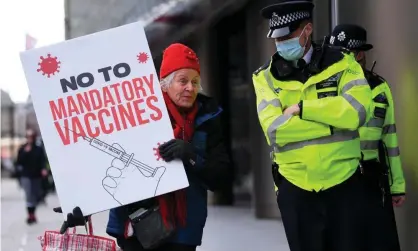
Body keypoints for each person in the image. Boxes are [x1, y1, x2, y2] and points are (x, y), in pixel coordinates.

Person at [54, 43, 230, 251]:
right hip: (134, 226)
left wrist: (191, 155)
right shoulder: (135, 109)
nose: (190, 88)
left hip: (184, 231)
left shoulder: (209, 117)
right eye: (183, 81)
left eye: (195, 81)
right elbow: (102, 158)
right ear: (164, 84)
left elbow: (221, 177)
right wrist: (82, 204)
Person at [252, 1, 373, 250]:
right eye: (277, 38)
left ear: (307, 30)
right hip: (295, 186)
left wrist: (303, 109)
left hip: (344, 183)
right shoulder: (264, 76)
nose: (280, 43)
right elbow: (274, 129)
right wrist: (333, 124)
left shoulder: (342, 63)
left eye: (288, 36)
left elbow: (357, 112)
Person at [327, 24, 405, 251]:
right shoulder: (325, 87)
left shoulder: (379, 88)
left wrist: (397, 185)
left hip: (371, 180)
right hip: (336, 178)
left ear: (359, 54)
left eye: (344, 54)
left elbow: (390, 139)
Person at [15, 128, 48, 224]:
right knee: (29, 195)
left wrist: (44, 169)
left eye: (31, 136)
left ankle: (33, 213)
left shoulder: (38, 149)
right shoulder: (23, 149)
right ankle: (30, 216)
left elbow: (42, 160)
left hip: (36, 175)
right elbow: (19, 162)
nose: (30, 139)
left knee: (36, 195)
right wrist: (25, 152)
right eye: (28, 136)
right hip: (26, 176)